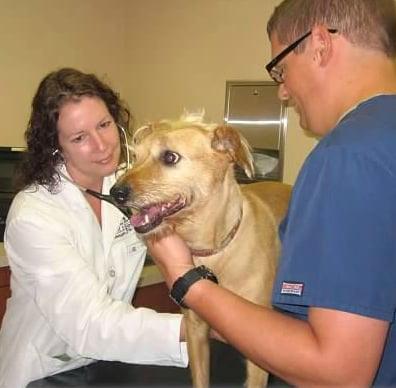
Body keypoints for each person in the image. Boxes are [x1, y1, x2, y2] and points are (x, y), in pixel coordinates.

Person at [146, 0, 396, 385]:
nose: (281, 93)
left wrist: (187, 281)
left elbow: (338, 374)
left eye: (280, 69)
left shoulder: (346, 158)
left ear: (319, 45)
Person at [0, 68, 188, 388]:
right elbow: (89, 323)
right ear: (56, 147)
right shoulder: (34, 215)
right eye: (79, 137)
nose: (102, 145)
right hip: (45, 372)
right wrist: (197, 326)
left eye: (104, 125)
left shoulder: (129, 188)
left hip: (106, 366)